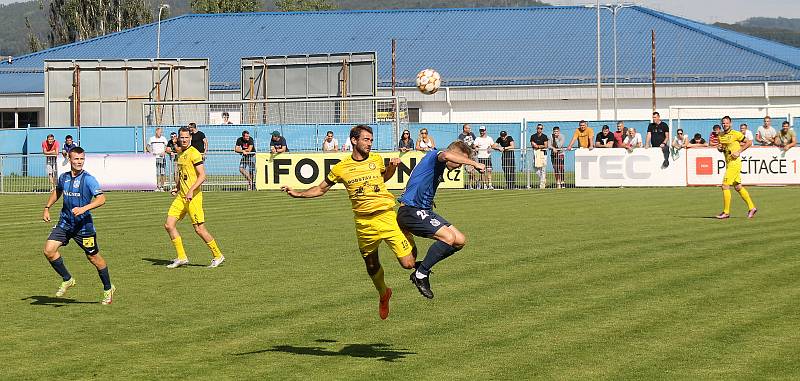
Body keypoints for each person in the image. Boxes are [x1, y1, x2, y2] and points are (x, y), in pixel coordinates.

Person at [281, 125, 413, 320]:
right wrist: (298, 193)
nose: (370, 143)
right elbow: (320, 189)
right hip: (363, 222)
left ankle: (406, 232)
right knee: (371, 264)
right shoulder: (341, 168)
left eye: (371, 140)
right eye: (366, 139)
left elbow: (384, 178)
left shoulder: (376, 159)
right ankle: (384, 293)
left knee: (408, 264)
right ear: (354, 140)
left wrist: (392, 167)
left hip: (385, 215)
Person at [397, 141, 486, 299]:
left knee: (459, 240)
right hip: (410, 211)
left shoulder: (437, 166)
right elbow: (445, 155)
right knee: (448, 237)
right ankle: (421, 274)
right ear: (452, 154)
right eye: (459, 160)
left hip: (422, 211)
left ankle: (422, 267)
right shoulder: (436, 155)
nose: (459, 165)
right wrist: (474, 163)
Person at [42, 147, 115, 304]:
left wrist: (84, 208)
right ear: (69, 159)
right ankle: (67, 279)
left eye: (82, 159)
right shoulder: (64, 177)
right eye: (76, 159)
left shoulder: (89, 179)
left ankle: (108, 288)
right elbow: (57, 191)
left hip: (84, 227)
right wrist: (47, 208)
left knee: (93, 257)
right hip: (65, 223)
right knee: (49, 250)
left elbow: (101, 199)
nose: (79, 162)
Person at [164, 126, 225, 268]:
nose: (184, 140)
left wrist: (191, 190)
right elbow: (182, 174)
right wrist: (178, 187)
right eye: (182, 137)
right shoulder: (181, 153)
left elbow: (202, 175)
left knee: (199, 229)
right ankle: (182, 257)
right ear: (178, 138)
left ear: (190, 138)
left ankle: (218, 255)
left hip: (194, 197)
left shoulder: (194, 153)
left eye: (186, 137)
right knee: (169, 225)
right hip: (182, 197)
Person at [715, 116, 757, 219]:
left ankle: (726, 212)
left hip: (735, 163)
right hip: (728, 163)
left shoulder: (736, 134)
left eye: (726, 123)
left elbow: (749, 142)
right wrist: (720, 148)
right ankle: (752, 208)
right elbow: (723, 148)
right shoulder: (720, 135)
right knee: (738, 187)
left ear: (730, 123)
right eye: (723, 123)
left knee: (725, 185)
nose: (725, 125)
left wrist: (739, 151)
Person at [473, 125, 495, 190]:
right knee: (482, 171)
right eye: (481, 131)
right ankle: (484, 184)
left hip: (487, 157)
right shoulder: (477, 138)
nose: (482, 132)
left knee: (489, 170)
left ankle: (490, 184)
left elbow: (493, 145)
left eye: (483, 130)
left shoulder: (489, 138)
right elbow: (474, 145)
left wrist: (490, 148)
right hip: (480, 157)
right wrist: (476, 147)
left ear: (485, 131)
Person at [457, 124, 477, 189]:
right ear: (464, 129)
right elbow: (460, 145)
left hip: (473, 154)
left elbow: (475, 142)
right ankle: (477, 180)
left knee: (473, 170)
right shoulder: (461, 136)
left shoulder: (472, 134)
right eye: (468, 128)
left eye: (469, 128)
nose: (469, 129)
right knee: (469, 170)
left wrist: (475, 147)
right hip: (466, 155)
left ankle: (470, 185)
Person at [530, 124, 549, 189]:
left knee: (543, 168)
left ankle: (542, 185)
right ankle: (543, 179)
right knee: (535, 167)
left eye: (541, 128)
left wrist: (538, 146)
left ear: (542, 129)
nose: (539, 129)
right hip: (536, 153)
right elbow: (532, 144)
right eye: (538, 128)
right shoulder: (533, 136)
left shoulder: (544, 136)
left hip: (543, 153)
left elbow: (546, 145)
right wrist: (539, 146)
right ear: (536, 128)